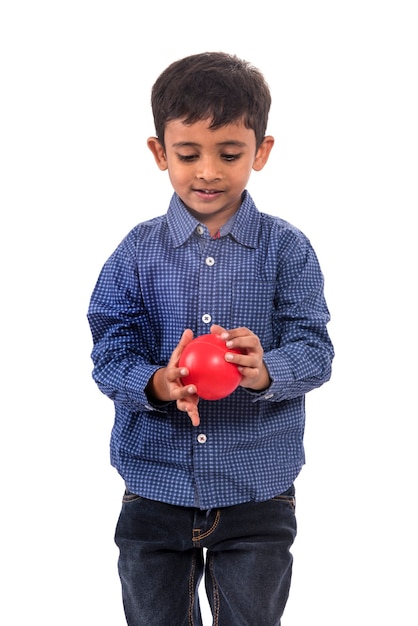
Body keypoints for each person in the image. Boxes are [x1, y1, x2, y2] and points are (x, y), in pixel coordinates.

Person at [87, 51, 334, 626]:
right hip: (155, 483)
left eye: (229, 154)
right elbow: (109, 351)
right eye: (187, 153)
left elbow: (315, 349)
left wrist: (266, 368)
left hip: (257, 489)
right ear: (159, 152)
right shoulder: (136, 252)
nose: (207, 172)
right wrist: (156, 382)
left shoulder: (286, 250)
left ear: (261, 152)